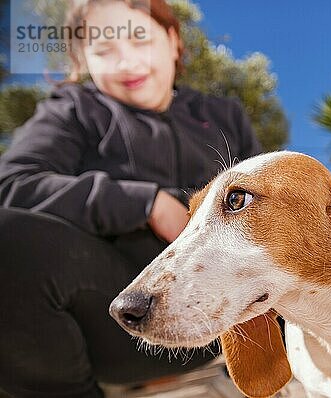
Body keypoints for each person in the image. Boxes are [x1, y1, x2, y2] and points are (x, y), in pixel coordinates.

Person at [0, 0, 262, 396]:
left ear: (173, 41)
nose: (127, 62)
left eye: (139, 39)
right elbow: (13, 182)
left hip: (231, 312)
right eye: (104, 51)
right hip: (123, 310)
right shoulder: (72, 110)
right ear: (83, 60)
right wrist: (146, 204)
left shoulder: (224, 114)